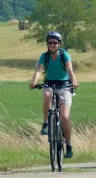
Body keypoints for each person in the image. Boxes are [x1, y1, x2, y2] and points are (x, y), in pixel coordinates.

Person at [29, 30, 79, 159]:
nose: (52, 45)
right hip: (49, 83)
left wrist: (74, 81)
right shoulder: (44, 56)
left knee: (65, 117)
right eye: (50, 42)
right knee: (46, 94)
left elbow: (69, 69)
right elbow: (39, 70)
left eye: (55, 43)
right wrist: (34, 81)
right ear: (47, 44)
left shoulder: (64, 55)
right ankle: (46, 123)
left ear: (59, 44)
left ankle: (69, 146)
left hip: (64, 85)